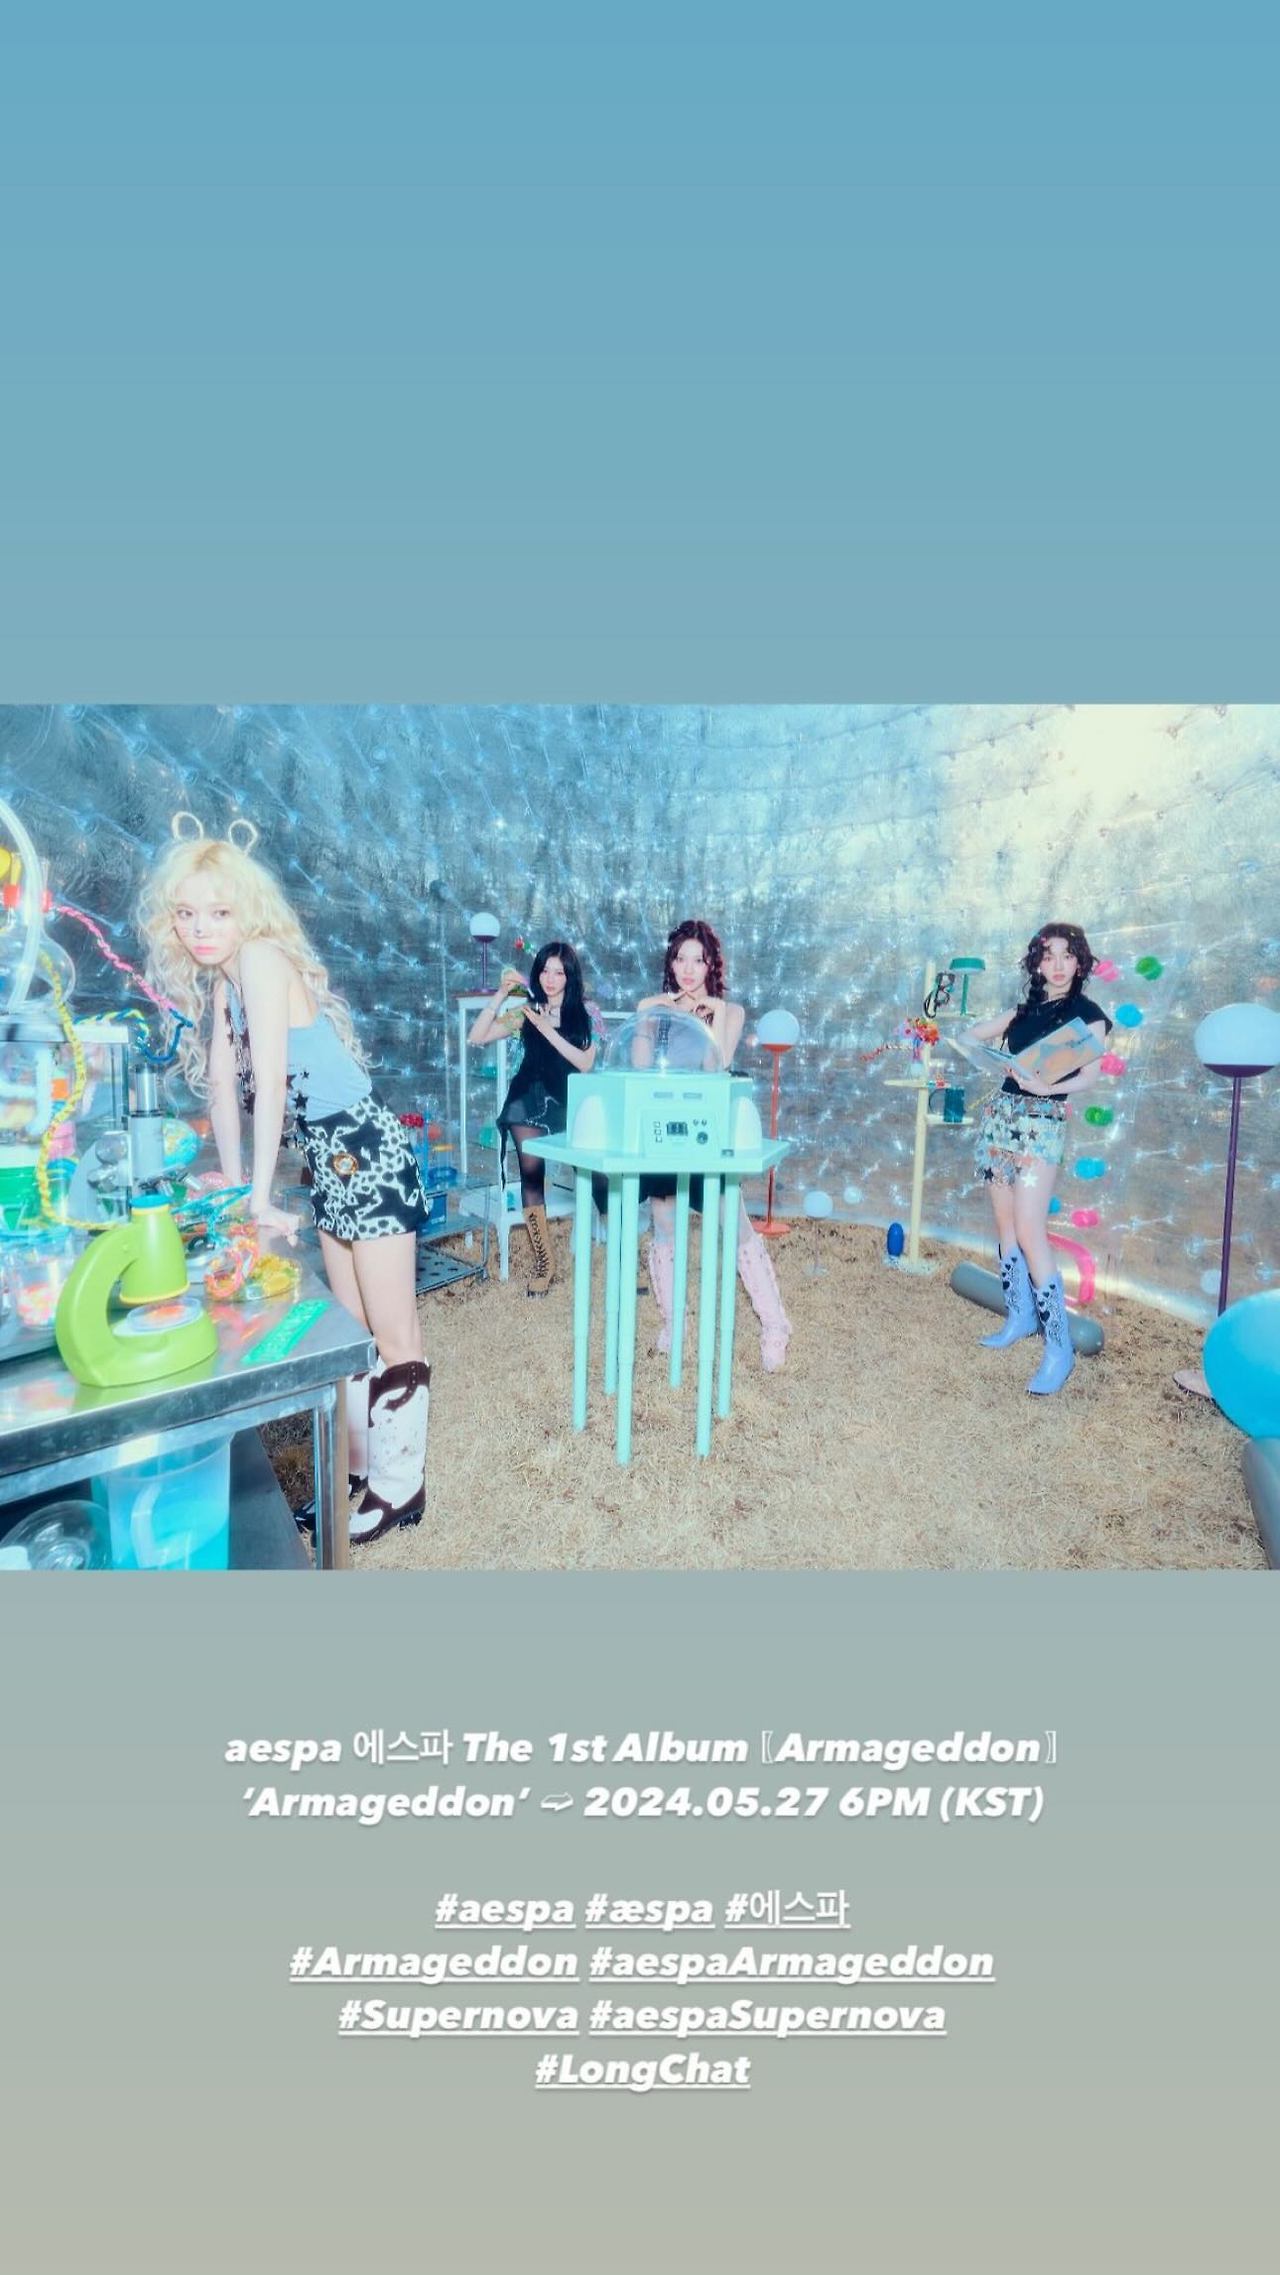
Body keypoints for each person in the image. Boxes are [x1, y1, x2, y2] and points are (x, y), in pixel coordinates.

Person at [138, 819, 430, 1543]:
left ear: (247, 910)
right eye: (187, 913)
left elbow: (269, 1083)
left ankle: (400, 1488)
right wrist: (237, 1188)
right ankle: (356, 1475)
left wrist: (260, 1195)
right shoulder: (226, 982)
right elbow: (221, 1089)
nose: (201, 928)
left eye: (218, 911)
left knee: (394, 1332)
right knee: (351, 1329)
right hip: (330, 1161)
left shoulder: (262, 959)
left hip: (368, 1150)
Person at [638, 918, 791, 1371]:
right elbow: (641, 1069)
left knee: (736, 1226)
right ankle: (674, 1323)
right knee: (664, 1224)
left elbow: (717, 1067)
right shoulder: (656, 1013)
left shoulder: (730, 1012)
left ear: (711, 966)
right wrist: (654, 1009)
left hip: (706, 1133)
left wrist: (713, 1011)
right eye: (680, 959)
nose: (688, 969)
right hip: (664, 1131)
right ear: (670, 963)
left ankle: (775, 1325)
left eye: (698, 960)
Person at [965, 924, 1112, 1394]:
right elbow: (971, 1036)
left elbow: (1089, 1076)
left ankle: (1059, 1349)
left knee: (1031, 1230)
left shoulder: (1088, 1015)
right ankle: (1020, 1315)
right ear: (1037, 963)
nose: (1058, 965)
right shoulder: (1025, 1008)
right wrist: (990, 1055)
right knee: (1006, 1225)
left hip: (1042, 1124)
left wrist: (1048, 1087)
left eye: (1067, 955)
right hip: (1000, 1118)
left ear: (1080, 961)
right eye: (1049, 956)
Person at [468, 941, 596, 1296]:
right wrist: (501, 995)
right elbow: (477, 1037)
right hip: (527, 1099)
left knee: (596, 1177)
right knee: (531, 1176)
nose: (550, 979)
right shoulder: (525, 1012)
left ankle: (618, 1249)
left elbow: (585, 1063)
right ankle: (544, 1262)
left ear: (570, 976)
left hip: (568, 1102)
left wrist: (546, 1028)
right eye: (545, 971)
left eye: (559, 972)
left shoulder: (586, 1013)